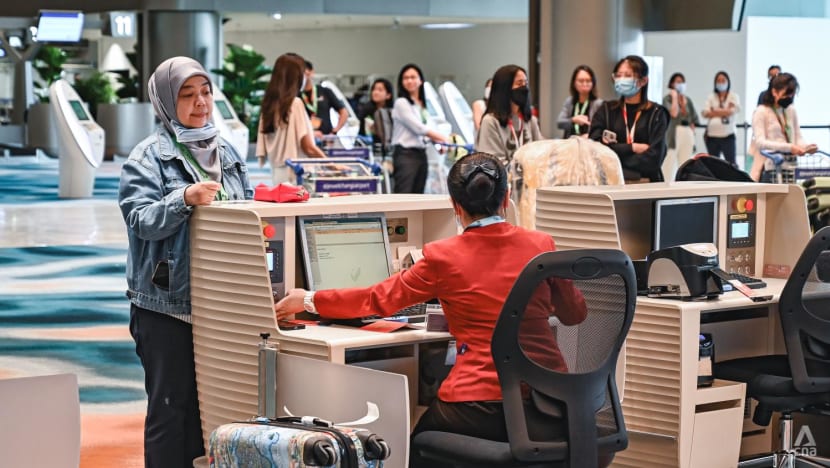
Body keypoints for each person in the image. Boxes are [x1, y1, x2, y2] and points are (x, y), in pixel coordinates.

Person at [274, 152, 587, 466]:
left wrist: (308, 299)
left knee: (411, 448)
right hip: (550, 403)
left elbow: (378, 299)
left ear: (455, 206)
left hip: (478, 404)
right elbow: (575, 314)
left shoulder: (443, 255)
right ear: (506, 198)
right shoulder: (541, 245)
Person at [118, 56, 254, 467]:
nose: (201, 103)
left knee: (212, 410)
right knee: (170, 410)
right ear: (165, 101)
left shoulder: (226, 152)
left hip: (220, 305)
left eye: (206, 92)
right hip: (167, 308)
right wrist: (183, 199)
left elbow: (246, 208)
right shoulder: (147, 158)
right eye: (187, 94)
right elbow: (140, 220)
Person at [589, 55, 669, 182]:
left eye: (627, 75)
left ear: (643, 81)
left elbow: (654, 159)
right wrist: (632, 148)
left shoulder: (657, 113)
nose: (621, 79)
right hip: (610, 183)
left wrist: (614, 154)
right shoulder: (606, 110)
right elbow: (594, 149)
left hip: (646, 183)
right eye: (618, 75)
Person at [257, 53, 326, 184]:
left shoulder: (269, 104)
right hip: (297, 174)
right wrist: (332, 164)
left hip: (278, 174)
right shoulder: (295, 104)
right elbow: (308, 147)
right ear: (295, 77)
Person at [475, 64, 543, 180]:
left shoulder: (530, 120)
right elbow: (493, 164)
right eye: (519, 83)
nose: (524, 88)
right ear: (505, 88)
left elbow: (540, 152)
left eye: (525, 83)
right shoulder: (490, 121)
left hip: (528, 185)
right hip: (503, 186)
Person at [390, 63, 448, 193]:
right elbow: (418, 128)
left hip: (421, 154)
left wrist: (438, 143)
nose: (409, 81)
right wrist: (443, 138)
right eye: (406, 78)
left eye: (413, 77)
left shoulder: (422, 105)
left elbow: (428, 128)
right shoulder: (401, 103)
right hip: (405, 154)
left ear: (420, 80)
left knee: (419, 193)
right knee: (404, 194)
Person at [748, 72, 817, 181]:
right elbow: (760, 143)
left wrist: (806, 147)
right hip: (770, 168)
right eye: (786, 94)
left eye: (792, 95)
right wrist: (789, 147)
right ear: (774, 91)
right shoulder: (761, 112)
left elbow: (797, 136)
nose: (789, 97)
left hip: (791, 167)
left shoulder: (791, 110)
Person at [662, 72, 701, 181]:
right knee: (668, 163)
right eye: (678, 82)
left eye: (682, 82)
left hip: (687, 132)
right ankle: (666, 185)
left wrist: (693, 134)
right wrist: (675, 97)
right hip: (673, 134)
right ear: (672, 84)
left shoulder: (687, 100)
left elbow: (693, 119)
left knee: (685, 163)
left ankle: (683, 184)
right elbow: (673, 113)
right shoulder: (667, 99)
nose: (681, 84)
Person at [302, 60, 349, 141]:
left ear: (311, 72)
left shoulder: (325, 91)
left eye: (305, 73)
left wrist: (334, 132)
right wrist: (310, 133)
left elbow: (344, 113)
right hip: (305, 139)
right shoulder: (296, 96)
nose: (303, 77)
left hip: (326, 138)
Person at [702, 71, 741, 167]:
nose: (721, 83)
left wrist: (714, 110)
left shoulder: (733, 96)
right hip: (712, 136)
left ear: (728, 82)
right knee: (713, 165)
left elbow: (731, 112)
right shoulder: (711, 96)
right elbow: (705, 113)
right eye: (718, 81)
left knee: (731, 164)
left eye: (723, 80)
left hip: (728, 135)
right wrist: (724, 110)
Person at [556, 65, 603, 138]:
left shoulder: (599, 104)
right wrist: (573, 120)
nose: (584, 84)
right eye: (581, 81)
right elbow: (559, 123)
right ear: (574, 83)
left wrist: (591, 135)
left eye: (588, 81)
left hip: (589, 142)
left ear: (593, 83)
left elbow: (602, 128)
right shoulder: (569, 101)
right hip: (570, 141)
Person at [358, 78, 395, 157]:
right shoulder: (366, 110)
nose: (375, 92)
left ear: (388, 95)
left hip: (389, 149)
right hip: (369, 149)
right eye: (374, 89)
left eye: (380, 90)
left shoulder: (393, 112)